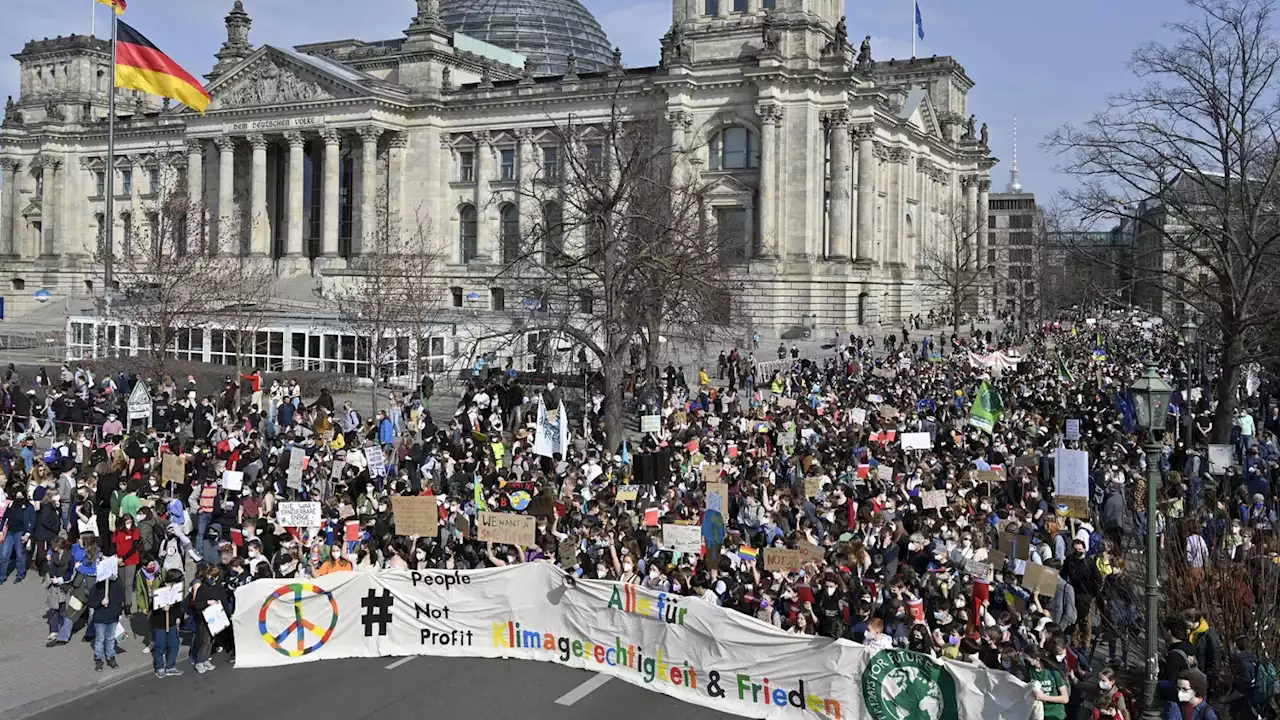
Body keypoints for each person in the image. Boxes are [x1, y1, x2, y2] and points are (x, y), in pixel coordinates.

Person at [86, 567, 125, 671]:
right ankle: (98, 659)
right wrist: (100, 603)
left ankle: (110, 657)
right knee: (100, 640)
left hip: (112, 618)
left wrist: (119, 614)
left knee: (110, 639)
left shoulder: (116, 585)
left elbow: (119, 600)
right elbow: (90, 603)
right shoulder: (96, 587)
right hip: (100, 619)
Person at [149, 568, 185, 678]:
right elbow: (153, 608)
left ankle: (170, 666)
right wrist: (161, 608)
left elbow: (179, 605)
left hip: (172, 622)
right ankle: (159, 667)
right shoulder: (161, 589)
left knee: (174, 644)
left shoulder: (177, 589)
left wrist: (179, 617)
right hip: (159, 623)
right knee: (160, 646)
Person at [0, 482, 36, 583]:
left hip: (21, 532)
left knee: (20, 554)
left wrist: (28, 534)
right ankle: (1, 576)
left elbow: (32, 521)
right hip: (10, 532)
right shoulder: (11, 504)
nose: (18, 496)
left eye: (20, 493)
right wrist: (1, 530)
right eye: (17, 494)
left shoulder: (29, 506)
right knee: (4, 555)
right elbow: (5, 517)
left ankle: (20, 574)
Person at [1025, 645, 1070, 720]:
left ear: (1036, 658)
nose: (1025, 660)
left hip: (1054, 713)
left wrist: (1043, 697)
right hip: (1038, 713)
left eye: (1027, 659)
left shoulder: (1053, 672)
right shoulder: (1029, 671)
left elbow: (1065, 698)